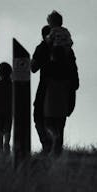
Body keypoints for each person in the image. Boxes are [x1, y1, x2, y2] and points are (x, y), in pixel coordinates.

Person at [31, 10, 79, 156]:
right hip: (66, 88)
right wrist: (74, 86)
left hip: (47, 87)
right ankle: (57, 151)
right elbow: (74, 71)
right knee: (60, 121)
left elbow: (33, 67)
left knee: (40, 117)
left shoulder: (44, 46)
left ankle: (48, 146)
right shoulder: (68, 50)